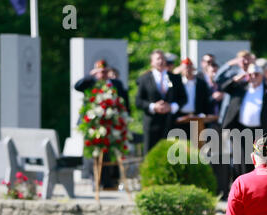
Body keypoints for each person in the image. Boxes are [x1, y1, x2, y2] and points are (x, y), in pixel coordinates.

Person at [74, 59, 129, 189]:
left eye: (104, 72)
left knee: (111, 152)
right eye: (100, 72)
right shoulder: (91, 83)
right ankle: (94, 178)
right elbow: (77, 86)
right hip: (93, 124)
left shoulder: (116, 84)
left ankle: (110, 180)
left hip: (112, 124)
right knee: (93, 153)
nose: (102, 75)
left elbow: (124, 102)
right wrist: (91, 75)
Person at [221, 63, 267, 177]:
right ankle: (242, 188)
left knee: (261, 161)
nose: (253, 77)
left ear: (262, 75)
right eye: (250, 74)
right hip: (241, 129)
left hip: (261, 131)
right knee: (242, 161)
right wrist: (237, 78)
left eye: (256, 74)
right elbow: (224, 88)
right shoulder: (240, 88)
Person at [135, 49, 187, 153]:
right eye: (158, 59)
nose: (161, 61)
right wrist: (153, 106)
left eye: (163, 58)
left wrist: (171, 107)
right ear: (152, 62)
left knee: (171, 153)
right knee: (151, 153)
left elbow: (183, 98)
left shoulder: (175, 78)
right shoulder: (144, 79)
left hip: (170, 123)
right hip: (152, 124)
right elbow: (138, 101)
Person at [173, 58, 212, 137]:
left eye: (189, 67)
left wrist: (205, 113)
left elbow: (205, 100)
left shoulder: (201, 83)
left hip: (196, 117)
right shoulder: (177, 83)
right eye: (185, 68)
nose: (188, 70)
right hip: (181, 117)